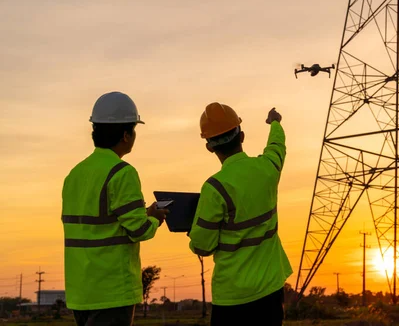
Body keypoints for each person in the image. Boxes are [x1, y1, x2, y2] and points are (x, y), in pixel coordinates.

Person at [62, 91, 168, 326]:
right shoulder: (122, 173)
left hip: (81, 292)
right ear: (125, 135)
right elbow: (139, 230)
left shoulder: (74, 175)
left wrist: (143, 214)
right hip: (111, 291)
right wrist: (155, 218)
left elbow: (100, 224)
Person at [188, 103, 292, 326]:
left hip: (231, 298)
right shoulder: (268, 169)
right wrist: (275, 122)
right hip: (270, 291)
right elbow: (277, 146)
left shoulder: (214, 188)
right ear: (241, 136)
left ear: (209, 147)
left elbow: (202, 247)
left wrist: (193, 229)